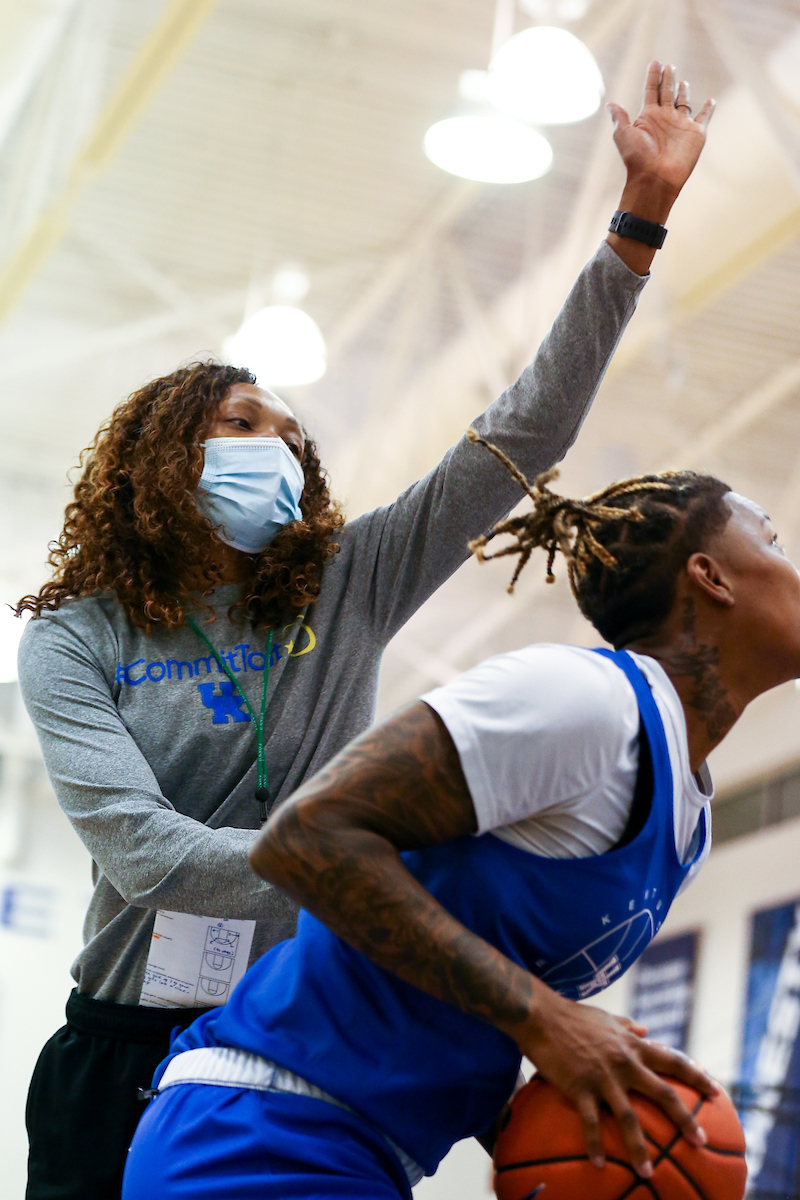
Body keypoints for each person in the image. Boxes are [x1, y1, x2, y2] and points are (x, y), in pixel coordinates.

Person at [17, 62, 711, 1200]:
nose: (276, 446)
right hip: (122, 1036)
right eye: (241, 423)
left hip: (283, 1050)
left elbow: (519, 438)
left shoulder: (350, 580)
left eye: (289, 432)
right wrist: (351, 876)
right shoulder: (73, 640)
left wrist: (636, 228)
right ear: (161, 460)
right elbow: (140, 851)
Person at [122, 453, 800, 1200]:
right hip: (260, 1131)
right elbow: (305, 837)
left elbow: (453, 986)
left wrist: (592, 1123)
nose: (791, 563)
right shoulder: (586, 700)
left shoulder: (685, 814)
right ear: (712, 576)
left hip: (355, 1149)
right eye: (773, 541)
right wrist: (547, 1020)